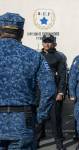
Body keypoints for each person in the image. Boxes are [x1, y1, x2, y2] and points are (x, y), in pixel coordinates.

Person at [0, 12, 55, 149]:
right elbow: (49, 90)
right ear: (22, 33)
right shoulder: (34, 56)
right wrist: (40, 117)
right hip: (23, 121)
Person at [36, 34, 67, 150]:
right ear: (42, 43)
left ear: (54, 43)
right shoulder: (37, 56)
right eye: (45, 41)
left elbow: (63, 76)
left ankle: (59, 143)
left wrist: (61, 92)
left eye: (50, 42)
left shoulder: (59, 57)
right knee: (39, 119)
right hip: (40, 93)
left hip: (54, 93)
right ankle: (36, 141)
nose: (47, 44)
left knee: (55, 119)